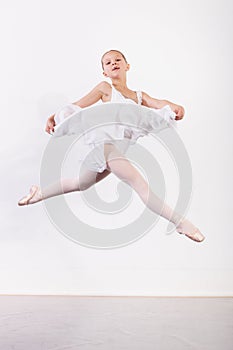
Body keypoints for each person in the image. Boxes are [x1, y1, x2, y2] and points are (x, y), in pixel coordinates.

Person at [18, 49, 205, 243]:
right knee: (140, 185)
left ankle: (38, 194)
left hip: (114, 152)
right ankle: (180, 223)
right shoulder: (105, 88)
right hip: (105, 148)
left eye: (117, 60)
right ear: (104, 72)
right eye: (107, 62)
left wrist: (176, 107)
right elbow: (78, 105)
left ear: (127, 66)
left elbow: (159, 103)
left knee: (81, 183)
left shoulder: (139, 96)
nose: (113, 63)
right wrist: (55, 117)